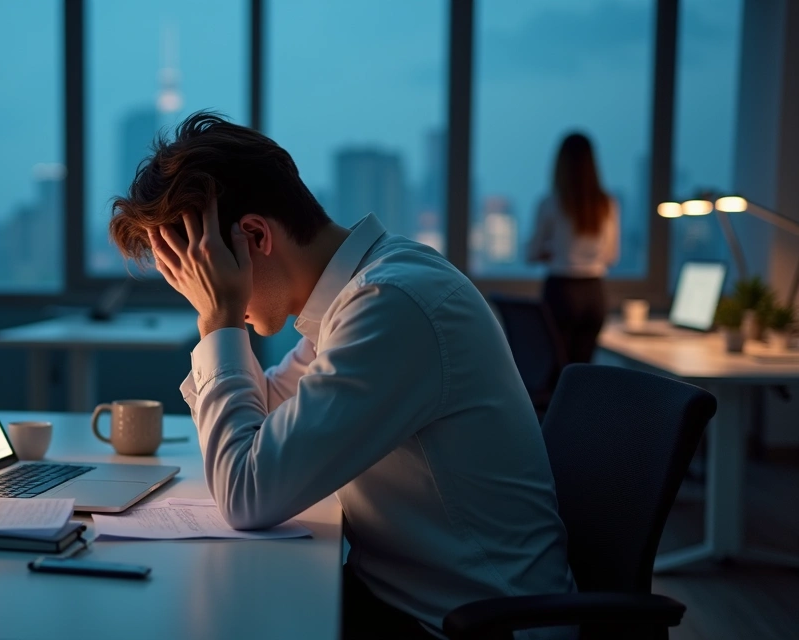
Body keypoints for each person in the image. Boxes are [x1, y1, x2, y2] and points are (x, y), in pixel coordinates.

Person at [109, 113, 575, 639]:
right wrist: (218, 324)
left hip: (471, 626)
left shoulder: (391, 304)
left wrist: (217, 323)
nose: (203, 295)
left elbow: (247, 493)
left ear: (256, 236)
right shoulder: (358, 297)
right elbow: (271, 416)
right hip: (404, 601)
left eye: (200, 275)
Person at [527, 132, 620, 364]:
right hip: (594, 293)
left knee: (558, 370)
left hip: (561, 290)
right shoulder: (607, 204)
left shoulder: (550, 203)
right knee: (583, 372)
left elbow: (530, 253)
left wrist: (550, 251)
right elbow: (611, 255)